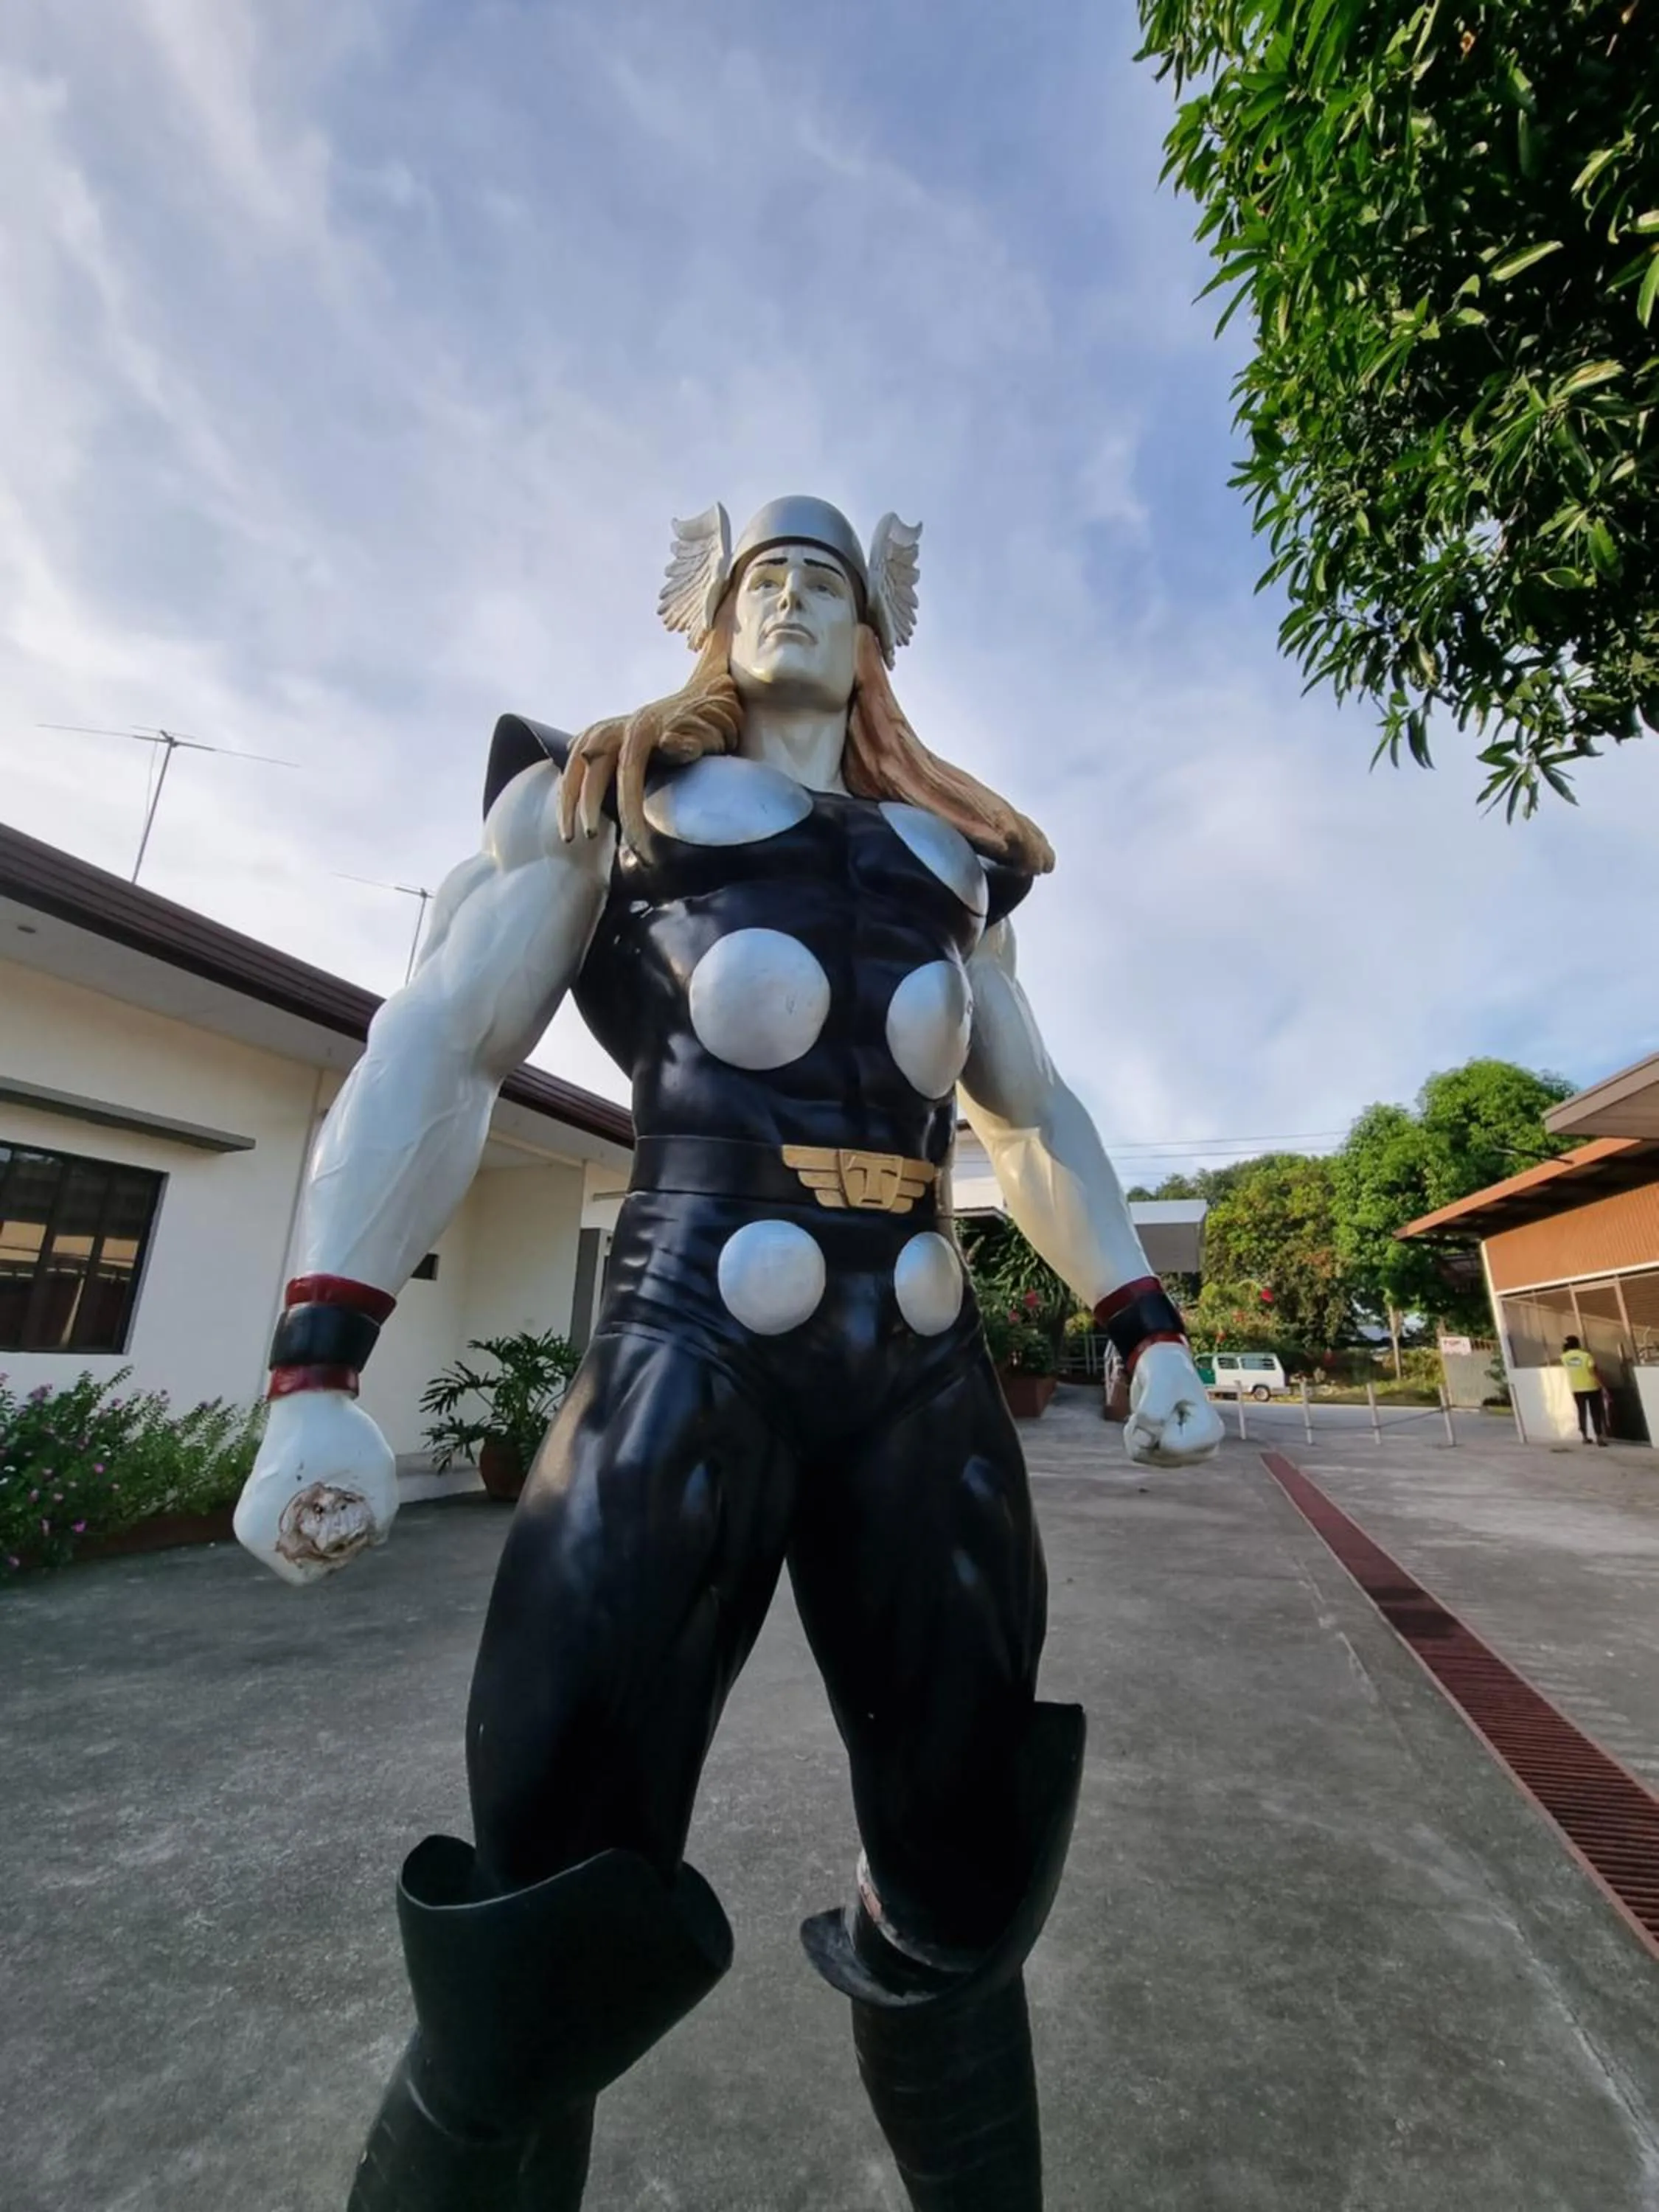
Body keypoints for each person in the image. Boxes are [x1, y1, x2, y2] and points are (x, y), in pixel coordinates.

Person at [233, 495, 1225, 2211]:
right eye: (761, 574)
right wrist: (320, 1363)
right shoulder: (604, 800)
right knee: (548, 1888)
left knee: (967, 1861)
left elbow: (1031, 1106)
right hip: (692, 1334)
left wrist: (1145, 1323)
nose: (789, 595)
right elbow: (442, 1046)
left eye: (823, 580)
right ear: (710, 615)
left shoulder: (947, 860)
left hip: (915, 1354)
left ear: (872, 636)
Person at [1562, 1333, 1608, 1444]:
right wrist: (1603, 1386)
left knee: (1582, 1412)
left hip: (1577, 1388)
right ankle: (1599, 1437)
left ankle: (1584, 1436)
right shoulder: (1586, 1356)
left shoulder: (1564, 1357)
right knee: (1595, 1412)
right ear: (1578, 1344)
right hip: (1592, 1387)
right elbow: (1594, 1371)